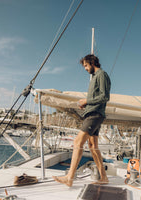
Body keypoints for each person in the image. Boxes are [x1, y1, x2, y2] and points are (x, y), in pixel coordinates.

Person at [52, 54, 111, 187]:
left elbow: (104, 97)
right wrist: (86, 104)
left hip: (94, 115)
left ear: (91, 62)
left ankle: (70, 177)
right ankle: (104, 177)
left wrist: (86, 100)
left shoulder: (101, 75)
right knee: (93, 146)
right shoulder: (95, 77)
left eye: (85, 65)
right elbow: (98, 97)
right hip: (93, 112)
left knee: (77, 141)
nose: (85, 68)